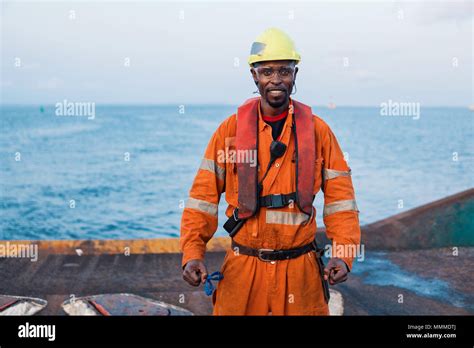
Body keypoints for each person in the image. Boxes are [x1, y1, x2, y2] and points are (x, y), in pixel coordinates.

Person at [180, 27, 361, 315]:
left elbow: (341, 203)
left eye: (284, 71)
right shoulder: (229, 132)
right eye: (267, 72)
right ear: (254, 75)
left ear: (295, 75)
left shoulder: (318, 132)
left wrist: (344, 255)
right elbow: (203, 198)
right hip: (243, 269)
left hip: (301, 272)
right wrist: (192, 254)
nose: (276, 80)